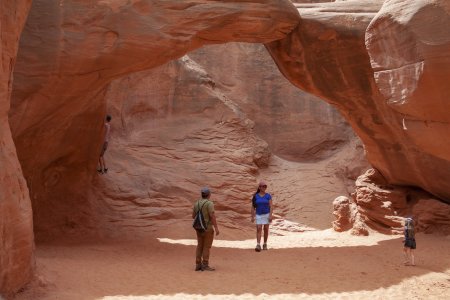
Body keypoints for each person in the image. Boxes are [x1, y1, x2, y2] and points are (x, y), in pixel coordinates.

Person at [192, 187, 219, 271]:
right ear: (209, 195)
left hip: (198, 228)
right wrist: (216, 228)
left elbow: (193, 216)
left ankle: (198, 264)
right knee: (206, 247)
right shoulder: (209, 203)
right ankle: (205, 264)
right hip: (207, 228)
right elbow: (212, 216)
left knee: (200, 245)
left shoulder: (197, 203)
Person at [251, 181, 273, 252]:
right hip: (258, 214)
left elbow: (271, 206)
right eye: (263, 186)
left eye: (265, 186)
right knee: (259, 228)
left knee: (266, 229)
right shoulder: (255, 196)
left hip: (266, 214)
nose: (264, 188)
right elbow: (253, 207)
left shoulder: (268, 196)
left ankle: (265, 244)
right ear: (259, 187)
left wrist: (270, 215)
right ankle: (258, 245)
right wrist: (252, 216)